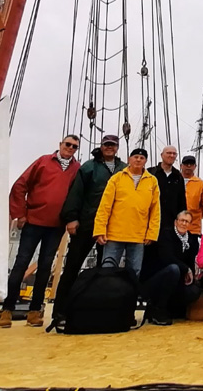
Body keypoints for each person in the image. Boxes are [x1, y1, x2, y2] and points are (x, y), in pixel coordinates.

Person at [0, 135, 81, 328]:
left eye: (74, 147)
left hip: (57, 226)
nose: (70, 148)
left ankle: (35, 311)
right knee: (21, 264)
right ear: (60, 145)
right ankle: (7, 309)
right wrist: (20, 214)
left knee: (45, 268)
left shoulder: (77, 169)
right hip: (34, 221)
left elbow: (77, 195)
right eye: (67, 144)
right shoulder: (43, 162)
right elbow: (20, 186)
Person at [53, 134, 126, 324]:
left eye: (113, 145)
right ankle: (60, 311)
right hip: (88, 223)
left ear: (117, 148)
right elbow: (76, 193)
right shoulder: (88, 167)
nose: (109, 148)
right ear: (101, 146)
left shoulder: (124, 169)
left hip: (113, 227)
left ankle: (102, 309)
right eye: (106, 145)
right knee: (73, 266)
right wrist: (72, 218)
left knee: (107, 270)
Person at [94, 147, 160, 276]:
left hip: (138, 235)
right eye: (135, 157)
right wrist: (99, 230)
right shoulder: (117, 178)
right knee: (108, 270)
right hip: (114, 234)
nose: (138, 160)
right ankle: (106, 296)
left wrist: (152, 233)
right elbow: (105, 206)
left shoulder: (152, 181)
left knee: (134, 272)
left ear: (145, 161)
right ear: (129, 159)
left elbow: (155, 210)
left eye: (142, 158)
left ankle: (130, 296)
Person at [139, 211, 201, 325]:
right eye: (181, 220)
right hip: (156, 278)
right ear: (175, 222)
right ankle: (158, 308)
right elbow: (167, 258)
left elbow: (191, 261)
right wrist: (186, 269)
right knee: (173, 269)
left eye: (187, 221)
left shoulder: (192, 240)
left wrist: (191, 274)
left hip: (178, 278)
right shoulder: (166, 234)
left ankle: (172, 309)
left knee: (194, 290)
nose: (184, 223)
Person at [148, 146, 186, 231]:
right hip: (151, 221)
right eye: (168, 153)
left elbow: (182, 201)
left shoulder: (178, 176)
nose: (171, 155)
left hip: (171, 223)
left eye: (174, 154)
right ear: (162, 155)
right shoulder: (150, 173)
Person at [180, 155, 203, 236]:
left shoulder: (200, 184)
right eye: (186, 164)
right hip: (175, 226)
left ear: (195, 166)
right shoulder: (175, 180)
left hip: (193, 228)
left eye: (191, 164)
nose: (188, 166)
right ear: (181, 166)